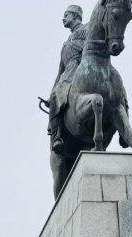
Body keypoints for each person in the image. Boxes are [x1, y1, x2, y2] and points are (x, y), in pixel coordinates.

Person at [46, 5, 88, 154]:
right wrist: (51, 95)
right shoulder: (65, 45)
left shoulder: (88, 28)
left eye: (66, 15)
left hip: (86, 66)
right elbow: (59, 73)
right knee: (56, 96)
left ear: (76, 16)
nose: (63, 18)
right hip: (67, 76)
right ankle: (56, 136)